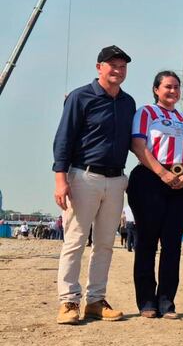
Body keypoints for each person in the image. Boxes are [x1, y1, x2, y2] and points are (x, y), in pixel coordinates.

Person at [52, 45, 135, 325]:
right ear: (99, 67)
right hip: (83, 177)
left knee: (105, 244)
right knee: (74, 241)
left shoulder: (128, 103)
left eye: (122, 66)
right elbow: (63, 139)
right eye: (112, 65)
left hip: (115, 180)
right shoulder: (80, 97)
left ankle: (96, 301)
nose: (118, 70)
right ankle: (68, 301)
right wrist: (60, 179)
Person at [127, 70, 183, 319]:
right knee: (147, 243)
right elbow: (138, 146)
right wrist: (161, 173)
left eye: (177, 87)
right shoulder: (146, 113)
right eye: (168, 86)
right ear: (156, 89)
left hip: (179, 184)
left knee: (172, 246)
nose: (173, 91)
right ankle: (147, 301)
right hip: (149, 179)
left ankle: (167, 301)